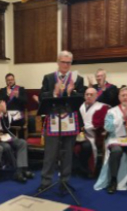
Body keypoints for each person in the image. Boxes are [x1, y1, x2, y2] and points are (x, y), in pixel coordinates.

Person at [37, 51, 87, 194]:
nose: (66, 65)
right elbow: (42, 97)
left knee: (67, 154)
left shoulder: (77, 79)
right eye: (63, 62)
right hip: (53, 120)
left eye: (69, 62)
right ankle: (45, 181)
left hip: (70, 121)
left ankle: (64, 182)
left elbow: (81, 99)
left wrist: (71, 93)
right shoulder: (48, 78)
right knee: (50, 154)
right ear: (58, 62)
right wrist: (54, 92)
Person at [0, 89, 31, 182]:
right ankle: (20, 171)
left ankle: (20, 170)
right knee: (6, 147)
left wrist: (4, 113)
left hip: (4, 135)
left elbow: (7, 125)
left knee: (22, 143)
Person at [78, 88, 111, 178]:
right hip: (78, 134)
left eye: (91, 94)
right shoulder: (81, 106)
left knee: (86, 146)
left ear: (96, 96)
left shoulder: (102, 107)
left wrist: (84, 128)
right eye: (87, 94)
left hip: (94, 136)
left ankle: (87, 170)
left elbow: (100, 124)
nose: (88, 96)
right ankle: (73, 168)